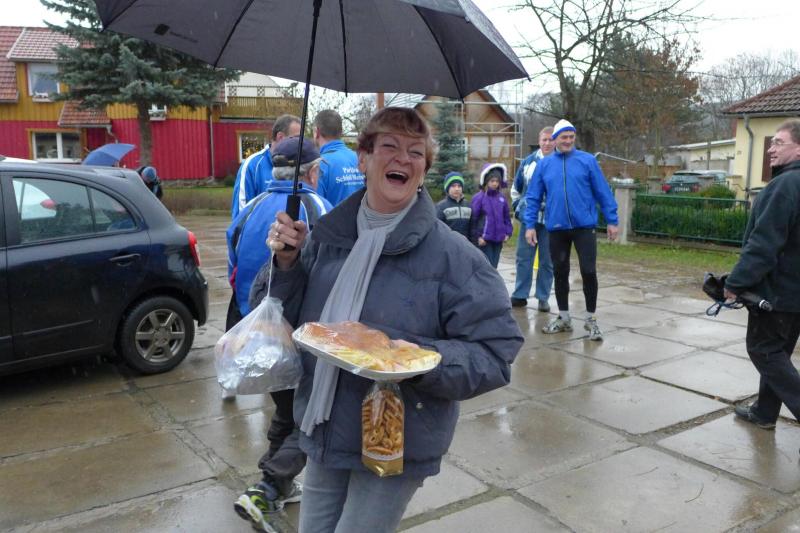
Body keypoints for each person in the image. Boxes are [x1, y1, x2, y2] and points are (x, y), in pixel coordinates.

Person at [252, 107, 522, 533]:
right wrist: (286, 262)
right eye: (390, 146)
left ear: (424, 170)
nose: (403, 158)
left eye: (416, 152)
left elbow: (496, 351)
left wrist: (415, 360)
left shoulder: (455, 258)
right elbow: (279, 319)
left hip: (395, 438)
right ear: (363, 159)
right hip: (322, 423)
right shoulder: (326, 238)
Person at [226, 137, 332, 533]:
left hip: (258, 333)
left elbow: (234, 263)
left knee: (285, 410)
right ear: (312, 171)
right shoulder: (317, 208)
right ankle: (267, 487)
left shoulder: (251, 207)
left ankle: (277, 485)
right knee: (309, 418)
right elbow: (328, 267)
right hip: (301, 335)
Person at [724, 119, 800, 437]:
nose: (770, 148)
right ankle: (765, 412)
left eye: (779, 143)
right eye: (771, 142)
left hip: (778, 291)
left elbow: (764, 244)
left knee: (763, 350)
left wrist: (735, 283)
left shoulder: (784, 186)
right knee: (778, 353)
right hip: (794, 294)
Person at [524, 119, 618, 341]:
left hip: (584, 227)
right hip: (557, 228)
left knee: (588, 271)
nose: (567, 141)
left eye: (571, 137)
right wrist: (530, 225)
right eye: (563, 137)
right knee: (560, 271)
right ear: (555, 139)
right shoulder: (545, 165)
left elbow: (603, 191)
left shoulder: (587, 161)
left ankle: (591, 319)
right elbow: (533, 196)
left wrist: (612, 220)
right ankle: (564, 317)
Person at [510, 127, 555, 310]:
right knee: (524, 259)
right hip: (529, 220)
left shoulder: (561, 163)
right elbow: (516, 189)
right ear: (539, 140)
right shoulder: (528, 163)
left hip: (551, 222)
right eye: (544, 139)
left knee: (547, 261)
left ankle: (543, 297)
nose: (547, 143)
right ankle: (520, 294)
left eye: (551, 139)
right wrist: (518, 210)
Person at [231, 114, 302, 219]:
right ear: (280, 137)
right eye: (297, 138)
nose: (301, 144)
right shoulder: (252, 165)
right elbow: (241, 216)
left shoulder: (300, 165)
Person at [313, 109, 365, 205]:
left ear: (317, 132)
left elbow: (317, 207)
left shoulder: (319, 165)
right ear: (341, 131)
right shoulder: (360, 159)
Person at [469, 163, 513, 268]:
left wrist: (508, 232)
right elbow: (473, 220)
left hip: (498, 239)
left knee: (494, 266)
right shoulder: (479, 198)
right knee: (487, 267)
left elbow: (506, 217)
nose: (494, 184)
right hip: (485, 240)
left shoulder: (501, 198)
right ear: (486, 181)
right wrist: (478, 237)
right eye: (492, 181)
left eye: (497, 181)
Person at [435, 171, 471, 239]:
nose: (457, 189)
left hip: (466, 243)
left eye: (459, 186)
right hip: (448, 243)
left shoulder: (468, 206)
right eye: (453, 186)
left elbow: (472, 228)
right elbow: (437, 229)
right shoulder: (441, 206)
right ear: (447, 188)